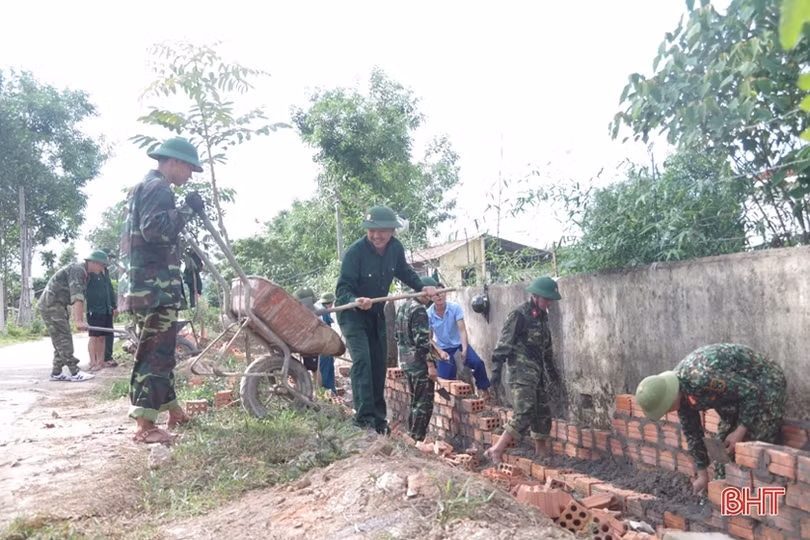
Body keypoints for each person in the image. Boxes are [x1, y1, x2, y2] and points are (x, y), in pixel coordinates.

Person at [119, 136, 205, 444]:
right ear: (175, 162)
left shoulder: (143, 187)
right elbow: (154, 230)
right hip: (153, 288)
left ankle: (174, 411)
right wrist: (186, 211)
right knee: (155, 354)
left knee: (162, 351)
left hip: (145, 286)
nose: (189, 176)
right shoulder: (159, 188)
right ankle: (145, 426)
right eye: (189, 169)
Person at [335, 206, 438, 434]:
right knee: (362, 361)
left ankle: (379, 422)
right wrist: (355, 299)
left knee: (379, 364)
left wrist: (422, 287)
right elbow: (342, 289)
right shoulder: (355, 252)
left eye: (381, 231)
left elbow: (405, 272)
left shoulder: (395, 249)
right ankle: (363, 421)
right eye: (372, 231)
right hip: (352, 315)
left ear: (392, 230)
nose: (376, 236)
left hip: (376, 314)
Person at [635, 343, 787, 495]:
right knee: (721, 451)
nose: (668, 412)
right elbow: (692, 434)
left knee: (753, 444)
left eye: (666, 408)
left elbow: (751, 392)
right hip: (735, 397)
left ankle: (757, 502)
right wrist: (703, 476)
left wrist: (740, 431)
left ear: (670, 397)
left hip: (764, 383)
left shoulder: (700, 378)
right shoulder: (680, 394)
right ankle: (726, 497)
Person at [484, 276, 563, 464]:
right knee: (525, 412)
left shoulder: (543, 317)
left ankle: (541, 453)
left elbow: (547, 349)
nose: (549, 302)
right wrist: (496, 371)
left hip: (537, 374)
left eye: (551, 299)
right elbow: (504, 343)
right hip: (520, 373)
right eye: (547, 299)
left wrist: (552, 374)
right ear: (535, 296)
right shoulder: (519, 314)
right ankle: (496, 450)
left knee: (542, 413)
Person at [38, 256, 106, 382]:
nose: (103, 269)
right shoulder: (78, 270)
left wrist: (81, 318)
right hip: (51, 305)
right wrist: (78, 320)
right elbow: (77, 296)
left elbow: (80, 297)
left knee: (61, 338)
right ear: (94, 262)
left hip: (58, 305)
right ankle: (74, 372)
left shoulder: (84, 273)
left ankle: (56, 372)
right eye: (102, 265)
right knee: (64, 338)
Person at [427, 285, 491, 399]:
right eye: (436, 294)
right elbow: (429, 338)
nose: (439, 296)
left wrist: (465, 349)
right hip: (442, 347)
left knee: (477, 363)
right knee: (444, 379)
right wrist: (439, 351)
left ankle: (484, 390)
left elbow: (462, 330)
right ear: (431, 297)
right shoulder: (428, 313)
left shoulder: (455, 308)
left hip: (458, 344)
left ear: (445, 294)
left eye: (441, 293)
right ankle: (451, 402)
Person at [396, 276, 440, 441]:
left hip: (406, 363)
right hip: (419, 364)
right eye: (429, 293)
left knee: (414, 401)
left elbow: (396, 335)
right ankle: (417, 439)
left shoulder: (403, 307)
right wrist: (430, 365)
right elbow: (422, 342)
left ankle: (411, 436)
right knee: (423, 404)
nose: (430, 297)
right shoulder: (419, 310)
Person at [85, 250, 117, 371]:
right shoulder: (89, 274)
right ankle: (93, 362)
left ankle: (101, 361)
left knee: (103, 337)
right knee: (94, 336)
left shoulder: (105, 274)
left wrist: (113, 306)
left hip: (106, 309)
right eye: (103, 263)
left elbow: (109, 290)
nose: (106, 263)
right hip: (95, 310)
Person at [293, 288, 321, 379]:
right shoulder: (310, 310)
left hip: (311, 343)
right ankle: (315, 390)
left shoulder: (312, 311)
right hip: (306, 343)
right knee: (312, 368)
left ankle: (318, 391)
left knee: (315, 369)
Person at [318, 292, 338, 394]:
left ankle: (331, 389)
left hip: (327, 345)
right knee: (325, 368)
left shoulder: (326, 311)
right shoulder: (323, 312)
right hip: (324, 345)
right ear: (330, 302)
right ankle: (325, 390)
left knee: (330, 367)